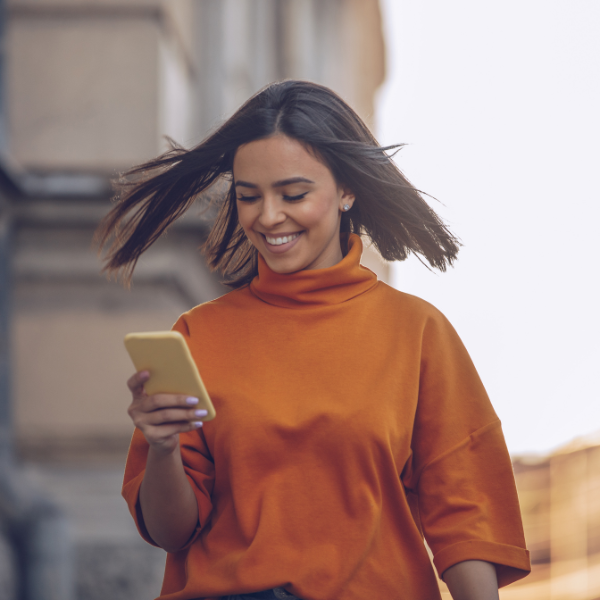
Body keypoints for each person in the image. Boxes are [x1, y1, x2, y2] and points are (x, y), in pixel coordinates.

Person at [96, 80, 531, 600]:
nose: (268, 216)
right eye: (248, 197)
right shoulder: (199, 335)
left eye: (293, 194)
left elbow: (467, 518)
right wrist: (163, 449)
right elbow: (172, 533)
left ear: (347, 191)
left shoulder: (416, 331)